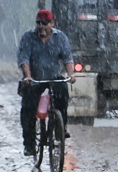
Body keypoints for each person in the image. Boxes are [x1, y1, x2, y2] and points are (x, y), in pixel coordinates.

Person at [17, 9, 76, 156]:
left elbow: (68, 58)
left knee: (62, 94)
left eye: (45, 23)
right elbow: (24, 59)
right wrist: (28, 76)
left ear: (52, 24)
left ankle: (60, 128)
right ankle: (29, 144)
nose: (41, 27)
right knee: (28, 108)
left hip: (53, 76)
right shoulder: (28, 37)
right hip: (35, 78)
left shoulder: (60, 37)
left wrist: (71, 74)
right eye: (38, 23)